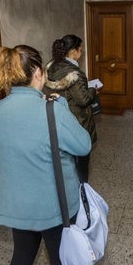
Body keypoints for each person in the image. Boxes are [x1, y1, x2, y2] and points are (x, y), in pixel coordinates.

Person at [0, 45, 91, 265]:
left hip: (18, 205)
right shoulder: (53, 109)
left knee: (22, 256)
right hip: (53, 207)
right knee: (60, 258)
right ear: (37, 73)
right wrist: (61, 104)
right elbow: (84, 145)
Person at [45, 35, 98, 182]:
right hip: (76, 119)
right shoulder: (75, 73)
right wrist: (93, 90)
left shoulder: (51, 66)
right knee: (81, 157)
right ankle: (82, 188)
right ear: (73, 51)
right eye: (80, 50)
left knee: (63, 156)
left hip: (57, 116)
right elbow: (83, 100)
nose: (81, 53)